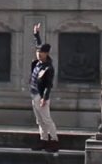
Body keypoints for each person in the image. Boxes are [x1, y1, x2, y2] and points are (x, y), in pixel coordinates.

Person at [29, 23, 59, 153]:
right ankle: (43, 139)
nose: (39, 54)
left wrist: (44, 98)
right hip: (33, 93)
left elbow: (48, 84)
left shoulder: (48, 68)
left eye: (41, 53)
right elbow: (38, 44)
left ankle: (54, 140)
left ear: (46, 54)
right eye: (38, 52)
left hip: (41, 96)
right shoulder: (37, 63)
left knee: (46, 119)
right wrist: (36, 34)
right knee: (39, 120)